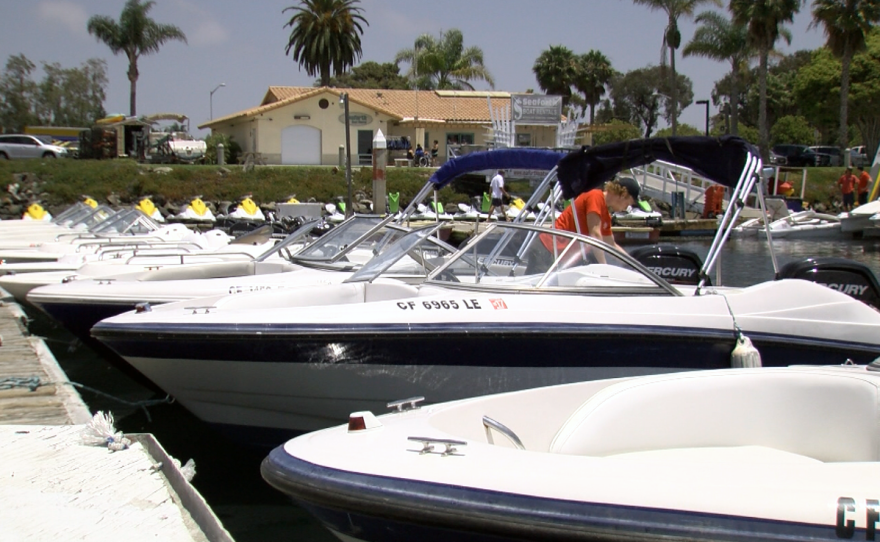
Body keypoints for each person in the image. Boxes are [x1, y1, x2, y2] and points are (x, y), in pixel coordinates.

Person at [552, 177, 639, 263]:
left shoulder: (605, 215)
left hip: (564, 254)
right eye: (628, 203)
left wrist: (632, 265)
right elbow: (595, 235)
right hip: (552, 247)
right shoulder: (595, 196)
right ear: (623, 195)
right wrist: (604, 266)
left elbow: (611, 245)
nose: (626, 208)